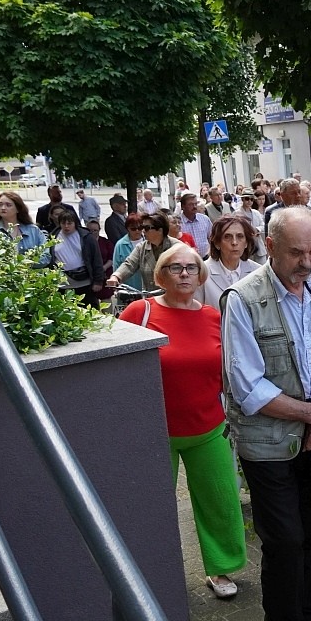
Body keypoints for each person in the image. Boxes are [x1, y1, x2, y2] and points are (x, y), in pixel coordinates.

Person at [221, 208, 311, 621]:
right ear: (271, 245)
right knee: (284, 540)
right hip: (267, 444)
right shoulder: (243, 299)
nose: (307, 262)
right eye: (297, 252)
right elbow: (247, 387)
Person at [119, 244, 247, 600]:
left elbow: (228, 369)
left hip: (209, 426)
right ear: (160, 275)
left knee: (221, 500)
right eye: (176, 268)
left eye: (192, 268)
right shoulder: (138, 312)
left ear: (201, 275)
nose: (185, 274)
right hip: (155, 431)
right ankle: (152, 572)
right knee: (152, 507)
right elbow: (115, 367)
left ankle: (220, 568)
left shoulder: (211, 316)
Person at [194, 215, 261, 311]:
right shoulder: (201, 272)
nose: (234, 242)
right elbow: (196, 312)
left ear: (246, 243)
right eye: (227, 237)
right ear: (217, 243)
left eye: (240, 236)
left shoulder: (257, 272)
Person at [107, 213, 179, 292]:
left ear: (160, 230)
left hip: (173, 297)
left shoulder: (177, 247)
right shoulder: (141, 248)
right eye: (142, 227)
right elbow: (129, 264)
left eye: (147, 228)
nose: (143, 231)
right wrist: (116, 276)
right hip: (150, 298)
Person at [50, 210, 103, 307]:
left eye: (69, 223)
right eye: (63, 223)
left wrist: (98, 281)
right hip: (63, 284)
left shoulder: (86, 237)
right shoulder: (53, 236)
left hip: (84, 283)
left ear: (75, 223)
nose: (66, 226)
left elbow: (96, 259)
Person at [0, 191, 49, 264]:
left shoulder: (33, 230)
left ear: (18, 209)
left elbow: (46, 256)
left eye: (8, 205)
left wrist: (24, 263)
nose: (3, 208)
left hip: (31, 274)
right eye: (0, 205)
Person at [112, 213, 146, 291]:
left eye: (140, 228)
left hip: (147, 288)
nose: (137, 231)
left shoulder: (149, 241)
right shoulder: (120, 245)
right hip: (129, 288)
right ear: (127, 228)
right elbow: (116, 266)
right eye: (133, 228)